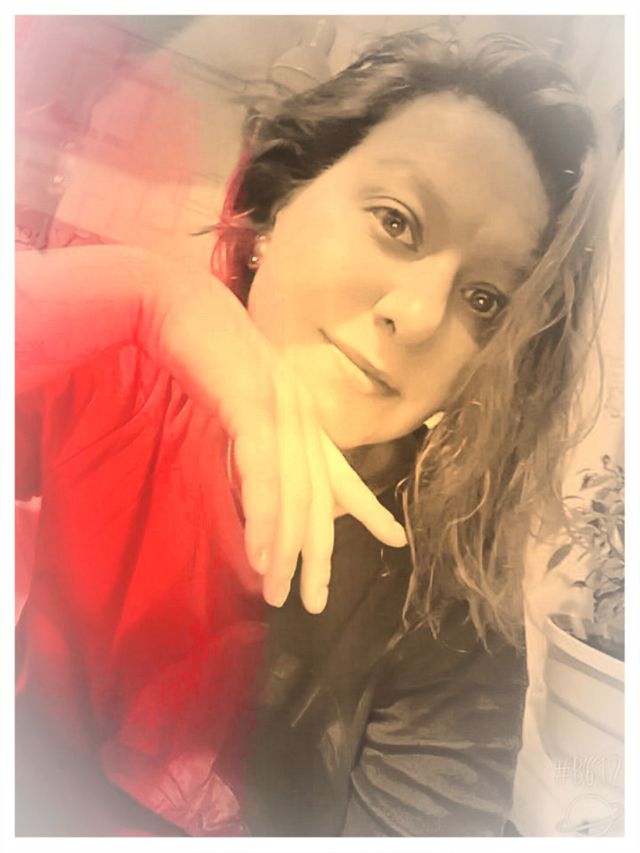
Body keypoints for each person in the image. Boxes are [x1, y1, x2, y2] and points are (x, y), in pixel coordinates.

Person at [15, 30, 608, 836]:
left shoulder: (445, 608)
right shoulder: (120, 373)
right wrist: (154, 297)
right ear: (272, 211)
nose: (418, 315)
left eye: (484, 299)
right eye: (396, 221)